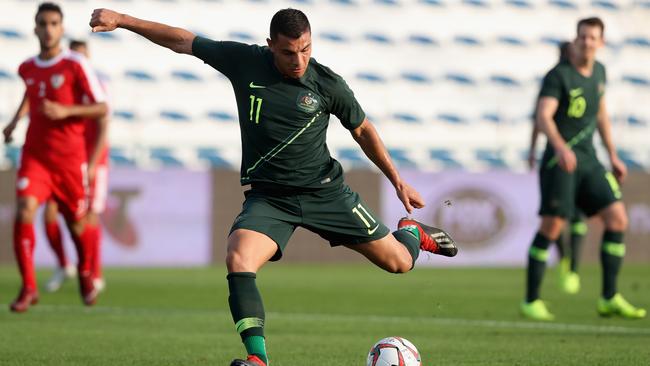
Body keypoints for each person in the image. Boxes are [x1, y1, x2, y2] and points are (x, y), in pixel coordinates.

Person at [89, 7, 458, 366]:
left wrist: (397, 180)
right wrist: (123, 20)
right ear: (270, 45)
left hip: (325, 193)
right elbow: (183, 41)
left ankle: (410, 233)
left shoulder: (327, 83)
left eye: (306, 49)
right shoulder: (244, 62)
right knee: (238, 258)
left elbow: (361, 130)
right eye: (288, 52)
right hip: (270, 199)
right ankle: (257, 358)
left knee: (399, 263)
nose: (299, 60)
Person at [521, 17, 646, 321]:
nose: (586, 42)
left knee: (617, 219)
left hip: (589, 159)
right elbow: (544, 115)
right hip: (559, 161)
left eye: (592, 38)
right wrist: (560, 147)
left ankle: (609, 297)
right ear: (575, 40)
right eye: (582, 37)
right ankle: (531, 300)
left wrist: (613, 155)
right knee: (551, 228)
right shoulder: (558, 75)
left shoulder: (599, 72)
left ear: (600, 43)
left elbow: (601, 114)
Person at [6, 2, 108, 312]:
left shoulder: (75, 64)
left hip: (69, 160)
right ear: (35, 28)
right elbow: (31, 94)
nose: (48, 29)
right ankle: (28, 288)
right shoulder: (27, 68)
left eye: (53, 23)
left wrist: (67, 111)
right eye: (43, 23)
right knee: (24, 210)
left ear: (61, 29)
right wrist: (14, 121)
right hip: (35, 157)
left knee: (77, 224)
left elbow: (102, 108)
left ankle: (85, 272)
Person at [527, 41, 587, 295]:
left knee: (577, 215)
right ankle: (566, 262)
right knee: (558, 218)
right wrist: (533, 149)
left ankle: (571, 265)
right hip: (556, 159)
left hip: (580, 156)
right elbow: (540, 119)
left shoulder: (578, 79)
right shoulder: (555, 80)